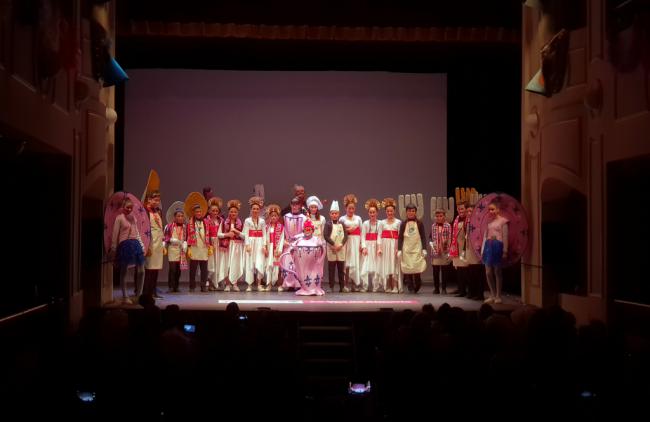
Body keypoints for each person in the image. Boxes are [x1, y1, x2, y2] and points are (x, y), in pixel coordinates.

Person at [110, 198, 145, 304]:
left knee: (142, 270)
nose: (129, 209)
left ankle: (139, 294)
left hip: (135, 244)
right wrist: (113, 248)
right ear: (123, 207)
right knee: (124, 270)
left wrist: (142, 245)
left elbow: (137, 232)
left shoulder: (133, 218)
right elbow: (115, 234)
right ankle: (125, 296)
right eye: (127, 207)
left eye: (131, 207)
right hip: (124, 245)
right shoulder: (119, 218)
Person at [280, 219, 325, 296]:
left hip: (314, 266)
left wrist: (320, 260)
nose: (308, 231)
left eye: (309, 229)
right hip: (301, 267)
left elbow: (323, 248)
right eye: (306, 229)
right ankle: (304, 288)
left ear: (312, 230)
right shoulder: (299, 240)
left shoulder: (317, 240)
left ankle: (314, 289)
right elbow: (291, 248)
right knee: (300, 274)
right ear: (303, 230)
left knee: (314, 276)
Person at [481, 200, 509, 304]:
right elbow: (485, 236)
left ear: (498, 209)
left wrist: (505, 250)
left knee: (497, 271)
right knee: (488, 272)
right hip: (488, 246)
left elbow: (505, 236)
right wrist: (483, 249)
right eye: (489, 209)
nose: (490, 211)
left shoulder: (503, 221)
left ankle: (498, 295)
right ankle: (492, 294)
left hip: (498, 246)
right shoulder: (488, 222)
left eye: (492, 209)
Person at [398, 202, 427, 293]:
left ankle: (418, 283)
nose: (411, 213)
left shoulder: (419, 223)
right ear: (406, 212)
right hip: (406, 248)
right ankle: (410, 285)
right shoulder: (403, 224)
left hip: (416, 248)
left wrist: (424, 248)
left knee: (416, 266)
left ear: (415, 212)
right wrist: (399, 249)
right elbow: (400, 237)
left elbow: (423, 237)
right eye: (409, 211)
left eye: (413, 211)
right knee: (408, 267)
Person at [218, 199, 245, 292]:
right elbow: (219, 234)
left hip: (237, 246)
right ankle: (227, 284)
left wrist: (237, 232)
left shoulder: (241, 223)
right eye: (231, 211)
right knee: (227, 265)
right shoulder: (224, 222)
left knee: (235, 265)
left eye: (235, 212)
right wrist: (227, 235)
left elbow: (244, 236)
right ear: (229, 212)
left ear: (237, 213)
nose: (233, 213)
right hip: (227, 246)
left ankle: (235, 284)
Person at [186, 198, 212, 293]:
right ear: (194, 213)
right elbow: (187, 235)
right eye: (197, 211)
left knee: (204, 269)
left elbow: (209, 234)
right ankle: (192, 286)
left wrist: (210, 245)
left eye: (200, 211)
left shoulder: (206, 222)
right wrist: (188, 247)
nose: (198, 213)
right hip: (194, 247)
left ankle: (203, 286)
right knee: (193, 269)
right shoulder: (190, 223)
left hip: (204, 247)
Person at [243, 196, 267, 292]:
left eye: (257, 209)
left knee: (260, 263)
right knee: (250, 263)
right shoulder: (247, 220)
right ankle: (249, 285)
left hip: (260, 242)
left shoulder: (262, 221)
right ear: (251, 209)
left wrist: (264, 246)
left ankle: (259, 284)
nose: (255, 210)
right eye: (254, 209)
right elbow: (246, 233)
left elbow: (264, 234)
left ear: (259, 210)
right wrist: (247, 245)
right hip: (251, 243)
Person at [143, 191, 164, 299]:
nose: (157, 202)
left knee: (156, 268)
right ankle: (146, 292)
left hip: (158, 243)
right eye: (155, 200)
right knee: (149, 268)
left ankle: (153, 290)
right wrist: (146, 245)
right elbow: (144, 229)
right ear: (149, 200)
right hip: (150, 242)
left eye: (158, 200)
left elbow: (159, 227)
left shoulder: (158, 211)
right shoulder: (145, 211)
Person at [323, 200, 348, 292]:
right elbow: (325, 236)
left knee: (341, 270)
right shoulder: (328, 224)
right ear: (330, 214)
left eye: (336, 213)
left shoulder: (342, 224)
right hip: (331, 248)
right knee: (331, 269)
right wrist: (333, 244)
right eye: (333, 213)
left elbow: (345, 236)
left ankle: (342, 287)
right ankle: (331, 286)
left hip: (341, 249)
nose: (334, 215)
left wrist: (341, 245)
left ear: (339, 214)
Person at [340, 194, 363, 291]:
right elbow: (340, 232)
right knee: (347, 263)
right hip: (347, 242)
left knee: (355, 262)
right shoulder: (342, 219)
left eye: (353, 208)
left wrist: (361, 243)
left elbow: (361, 231)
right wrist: (348, 230)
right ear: (346, 208)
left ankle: (354, 284)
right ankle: (346, 284)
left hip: (356, 241)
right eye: (349, 208)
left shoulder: (358, 218)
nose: (351, 210)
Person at [378, 197, 401, 293]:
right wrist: (379, 248)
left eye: (391, 211)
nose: (390, 213)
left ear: (394, 211)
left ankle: (395, 286)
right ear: (386, 212)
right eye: (388, 211)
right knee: (386, 265)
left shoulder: (398, 222)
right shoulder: (382, 223)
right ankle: (387, 285)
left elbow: (400, 237)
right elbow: (379, 235)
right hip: (385, 246)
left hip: (394, 246)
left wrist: (398, 248)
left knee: (394, 264)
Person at [163, 206, 187, 293]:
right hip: (172, 249)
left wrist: (185, 244)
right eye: (178, 216)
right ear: (174, 217)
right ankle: (170, 286)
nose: (180, 218)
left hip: (181, 250)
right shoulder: (169, 226)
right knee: (172, 269)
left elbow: (186, 238)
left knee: (178, 270)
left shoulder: (184, 227)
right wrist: (171, 240)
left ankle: (176, 286)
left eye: (181, 216)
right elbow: (165, 238)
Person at [429, 208, 453, 295]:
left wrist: (449, 250)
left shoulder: (448, 226)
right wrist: (432, 246)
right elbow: (431, 237)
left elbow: (450, 237)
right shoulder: (433, 226)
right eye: (437, 216)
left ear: (444, 216)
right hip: (435, 250)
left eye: (441, 216)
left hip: (445, 250)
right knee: (435, 271)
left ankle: (443, 288)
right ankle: (436, 288)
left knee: (444, 270)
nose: (439, 218)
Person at [360, 198, 382, 292]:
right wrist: (364, 247)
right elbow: (362, 236)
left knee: (375, 267)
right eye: (370, 212)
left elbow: (380, 236)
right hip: (368, 247)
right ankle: (365, 286)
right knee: (365, 267)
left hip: (376, 246)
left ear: (377, 212)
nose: (372, 214)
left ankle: (375, 287)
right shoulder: (365, 223)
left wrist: (379, 248)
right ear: (368, 213)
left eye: (374, 212)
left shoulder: (380, 223)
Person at [449, 201, 470, 297]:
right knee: (459, 269)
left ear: (466, 209)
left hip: (465, 247)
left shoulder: (468, 220)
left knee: (465, 270)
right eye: (458, 209)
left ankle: (465, 290)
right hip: (457, 246)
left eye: (462, 208)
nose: (460, 210)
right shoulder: (457, 219)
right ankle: (460, 288)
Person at [263, 204, 284, 291]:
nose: (273, 217)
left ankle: (279, 285)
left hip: (276, 249)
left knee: (277, 267)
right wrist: (265, 248)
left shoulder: (281, 227)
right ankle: (269, 285)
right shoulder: (266, 227)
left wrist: (279, 250)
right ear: (269, 217)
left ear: (278, 217)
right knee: (269, 267)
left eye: (275, 216)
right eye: (272, 216)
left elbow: (282, 239)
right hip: (269, 248)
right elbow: (264, 238)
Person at [206, 197, 224, 291]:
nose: (215, 212)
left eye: (217, 211)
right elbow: (205, 233)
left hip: (219, 244)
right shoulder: (206, 221)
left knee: (218, 263)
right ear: (209, 211)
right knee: (211, 264)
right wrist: (208, 243)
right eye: (213, 210)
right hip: (211, 244)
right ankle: (209, 282)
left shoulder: (221, 220)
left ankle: (217, 282)